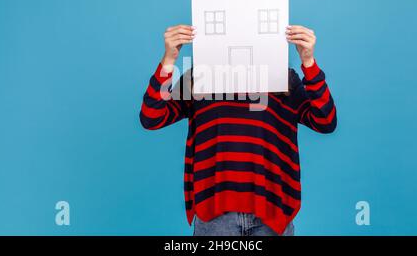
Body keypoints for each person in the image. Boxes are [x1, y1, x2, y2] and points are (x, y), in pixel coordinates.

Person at [140, 24, 337, 236]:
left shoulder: (284, 78)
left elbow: (325, 121)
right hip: (215, 213)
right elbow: (152, 117)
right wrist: (169, 60)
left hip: (271, 209)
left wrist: (308, 62)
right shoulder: (197, 77)